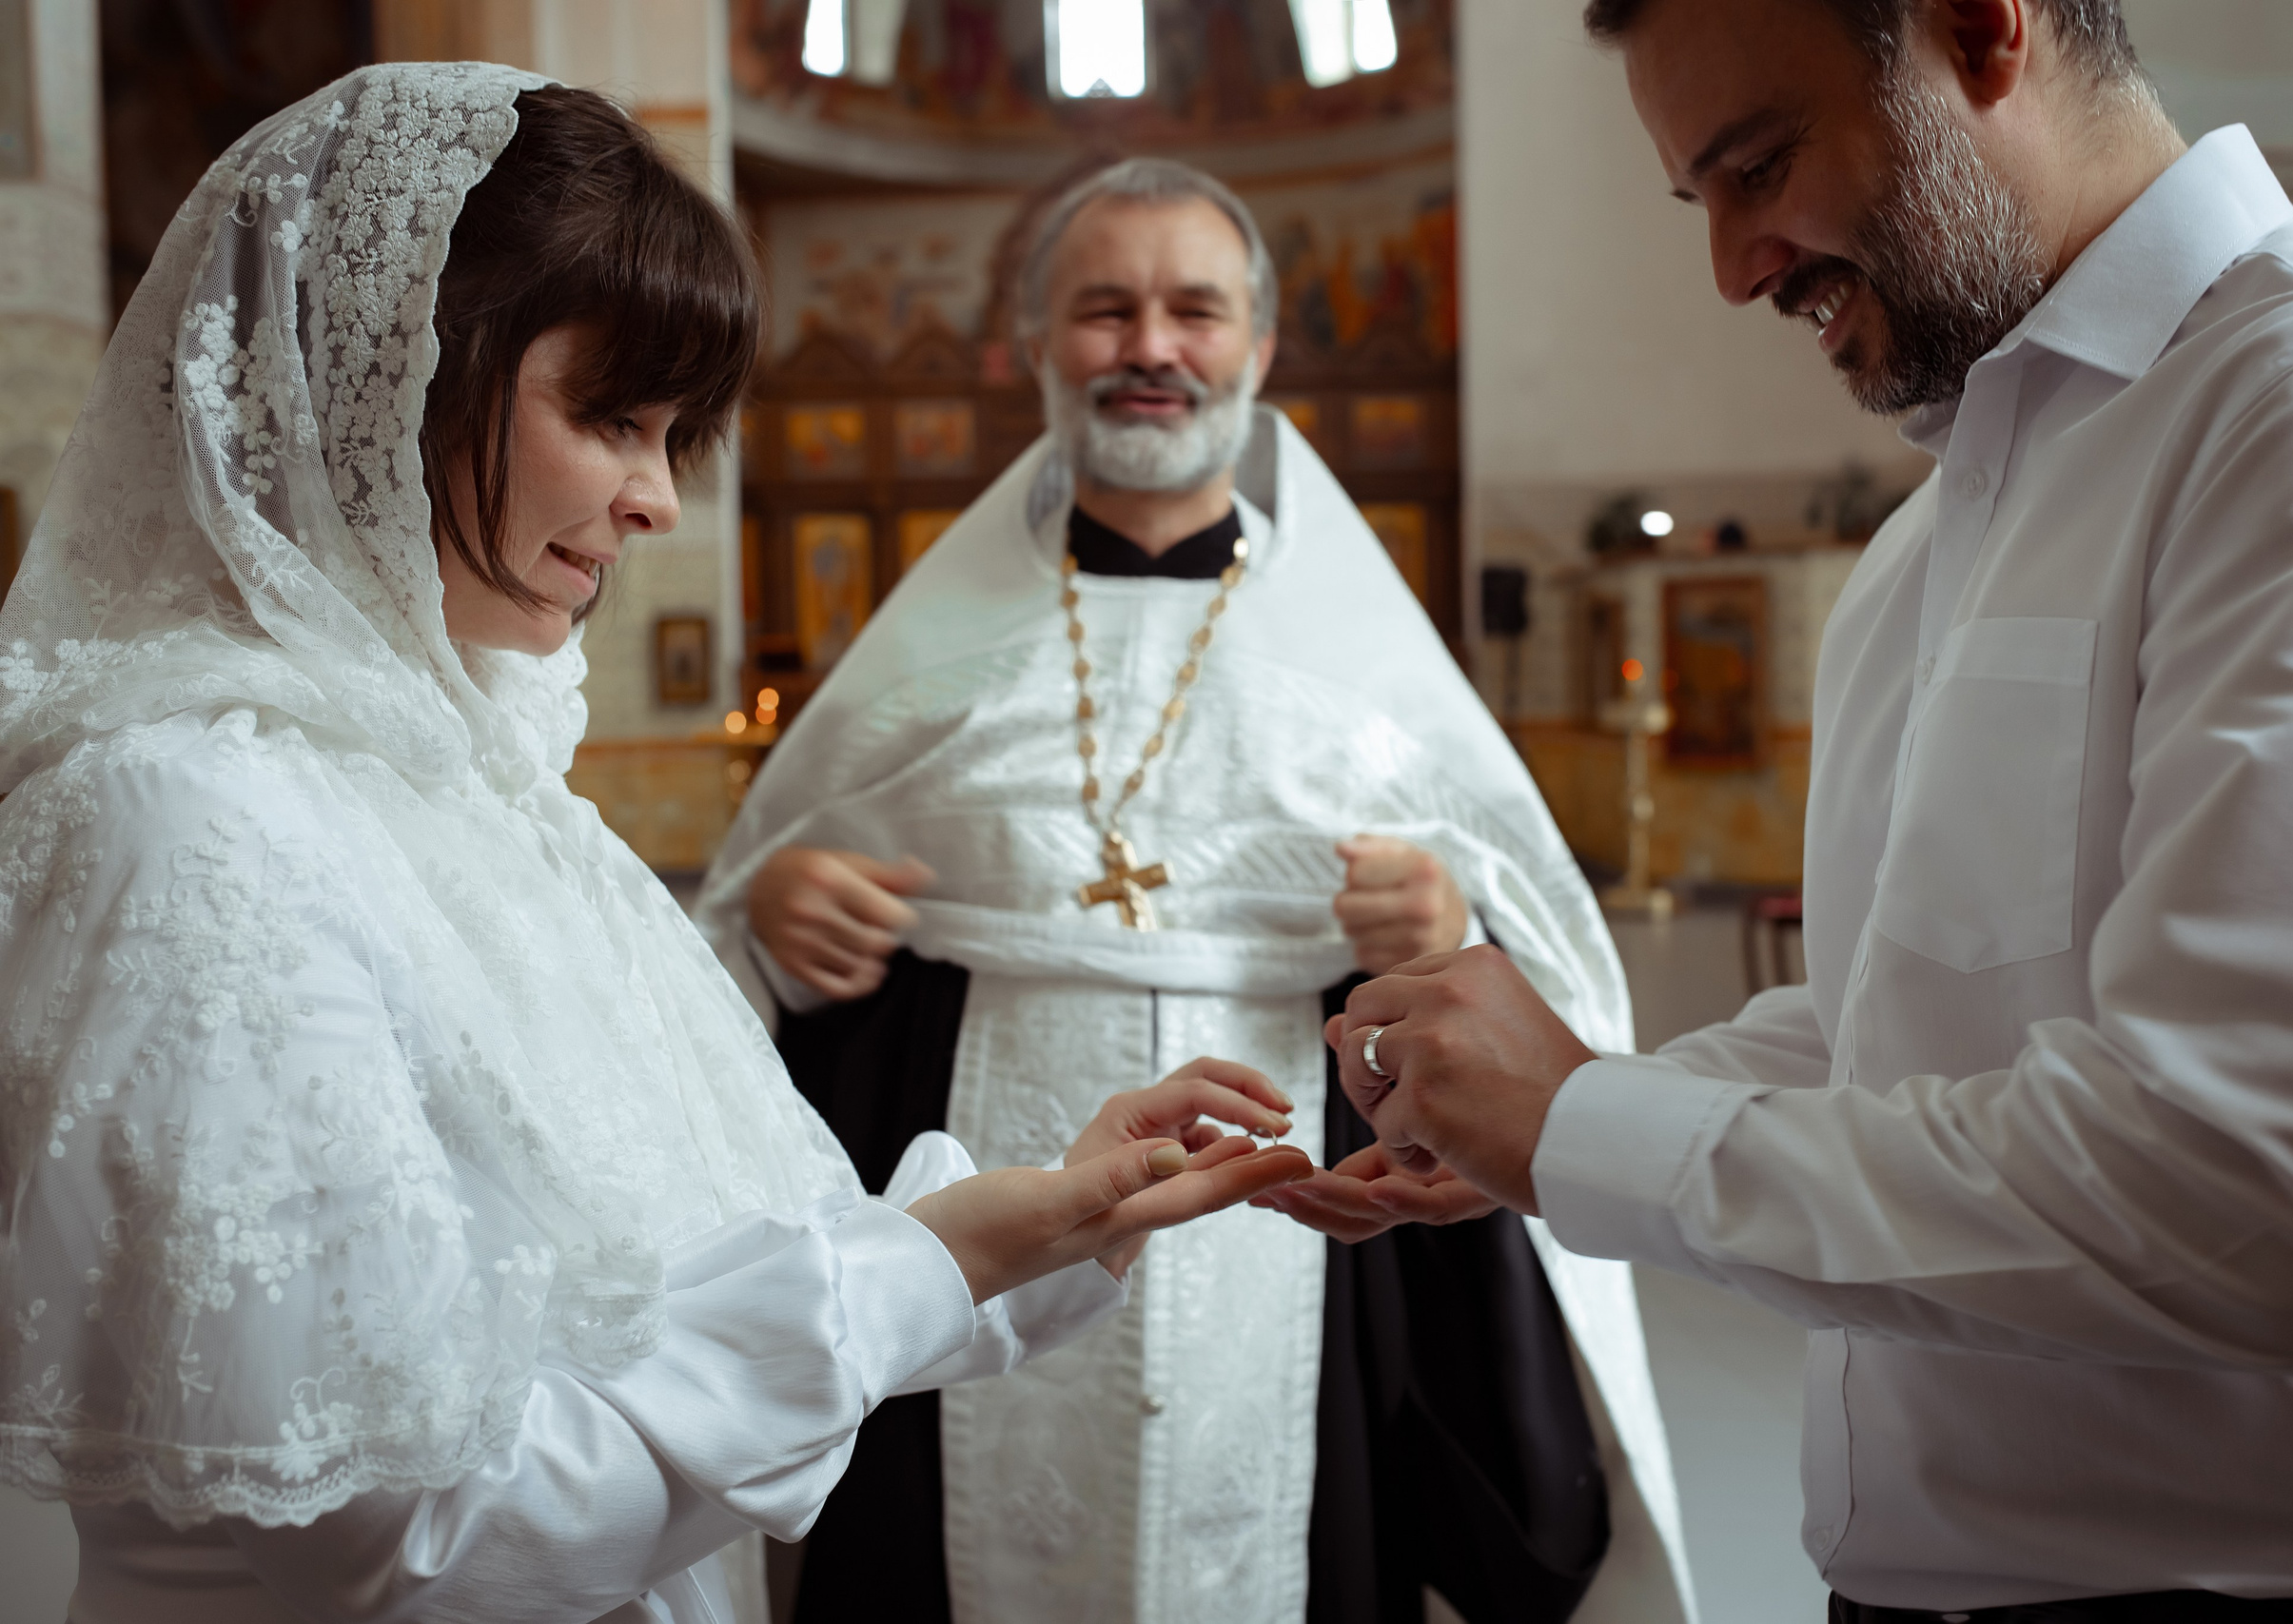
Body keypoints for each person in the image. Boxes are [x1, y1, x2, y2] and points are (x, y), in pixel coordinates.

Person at [0, 66, 1314, 1624]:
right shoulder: (190, 821)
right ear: (388, 383)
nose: (658, 503)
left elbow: (680, 1277)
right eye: (613, 418)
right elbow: (412, 1532)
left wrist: (1043, 1217)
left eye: (676, 433)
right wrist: (931, 1271)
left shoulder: (474, 786)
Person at [1289, 1, 2293, 1620]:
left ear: (1980, 32)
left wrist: (1585, 1125)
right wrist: (1542, 1112)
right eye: (1701, 200)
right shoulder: (1922, 547)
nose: (1732, 270)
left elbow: (2251, 1202)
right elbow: (1895, 1029)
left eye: (1760, 167)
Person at [694, 159, 1692, 1624]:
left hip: (1292, 1256)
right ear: (1035, 344)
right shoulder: (928, 661)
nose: (1150, 346)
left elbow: (1538, 972)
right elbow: (742, 956)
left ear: (1260, 347)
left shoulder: (1366, 672)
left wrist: (1449, 934)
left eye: (1195, 310)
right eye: (1105, 310)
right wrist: (781, 926)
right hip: (969, 1240)